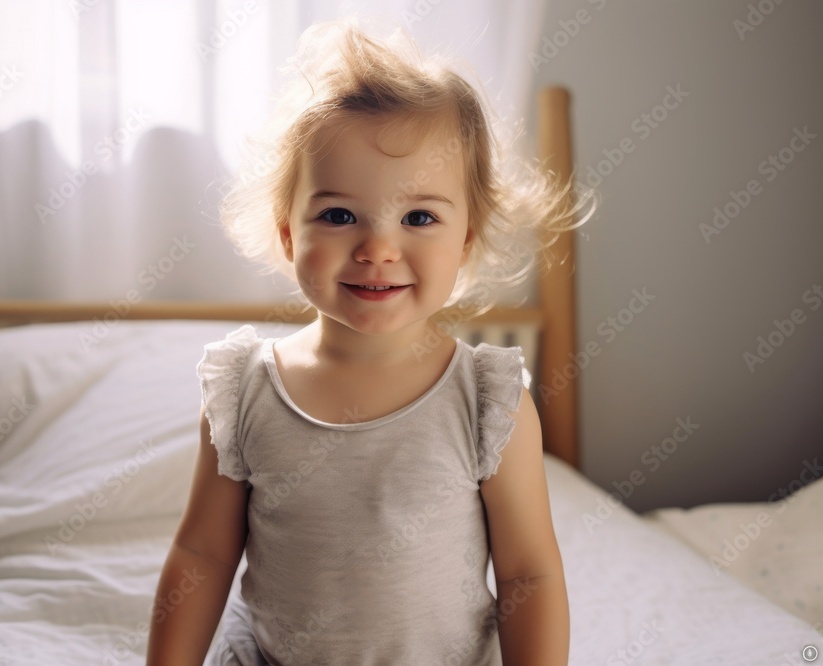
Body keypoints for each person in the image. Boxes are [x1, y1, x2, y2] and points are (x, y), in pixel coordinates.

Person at [147, 16, 589, 666]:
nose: (378, 248)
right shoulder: (244, 390)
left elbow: (529, 576)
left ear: (465, 239)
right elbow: (203, 554)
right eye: (338, 215)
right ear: (289, 234)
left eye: (419, 217)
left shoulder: (487, 401)